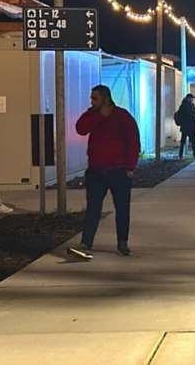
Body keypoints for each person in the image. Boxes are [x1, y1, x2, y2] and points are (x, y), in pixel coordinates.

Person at [69, 85, 140, 259]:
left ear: (106, 99)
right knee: (93, 209)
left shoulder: (122, 116)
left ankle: (122, 243)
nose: (92, 101)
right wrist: (99, 116)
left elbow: (133, 142)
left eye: (95, 98)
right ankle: (86, 244)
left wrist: (130, 167)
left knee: (122, 209)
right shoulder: (92, 115)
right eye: (91, 98)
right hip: (96, 172)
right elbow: (81, 128)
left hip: (118, 171)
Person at [177, 93, 195, 159]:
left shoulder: (192, 105)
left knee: (193, 141)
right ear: (187, 98)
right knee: (183, 141)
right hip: (185, 126)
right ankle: (180, 155)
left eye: (192, 98)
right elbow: (182, 115)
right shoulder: (183, 106)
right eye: (191, 98)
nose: (192, 99)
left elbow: (193, 114)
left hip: (191, 125)